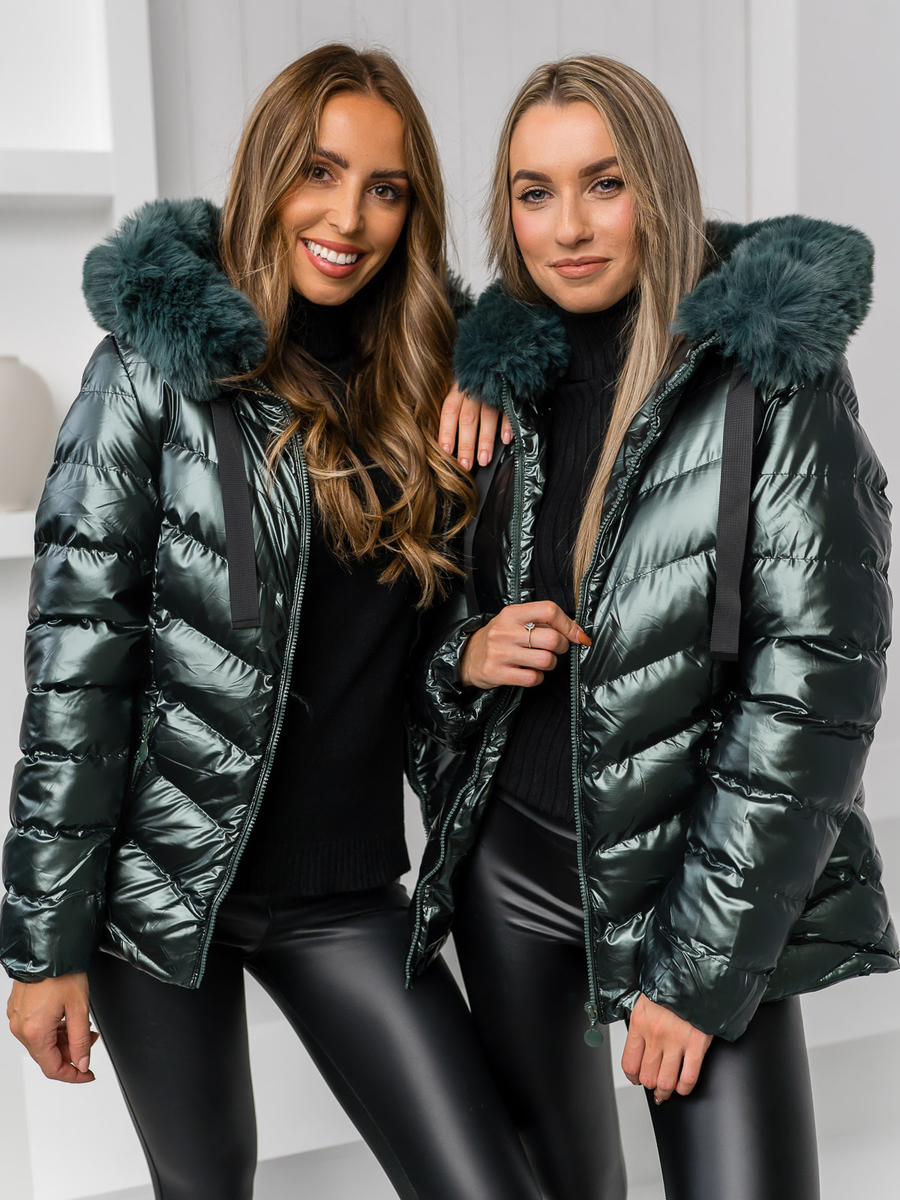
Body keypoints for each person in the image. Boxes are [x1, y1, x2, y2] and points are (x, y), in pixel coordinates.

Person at [1, 45, 542, 1200]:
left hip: (344, 893)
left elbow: (407, 660)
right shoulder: (148, 373)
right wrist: (43, 950)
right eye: (319, 172)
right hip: (159, 891)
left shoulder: (428, 388)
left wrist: (469, 659)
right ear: (266, 174)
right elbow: (77, 679)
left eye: (384, 188)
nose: (348, 217)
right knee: (207, 1186)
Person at [407, 54, 898, 1200]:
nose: (569, 227)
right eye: (535, 192)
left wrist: (700, 968)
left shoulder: (770, 376)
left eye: (605, 183)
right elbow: (411, 626)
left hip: (697, 879)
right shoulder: (492, 392)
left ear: (660, 187)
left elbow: (817, 683)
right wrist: (466, 657)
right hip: (512, 874)